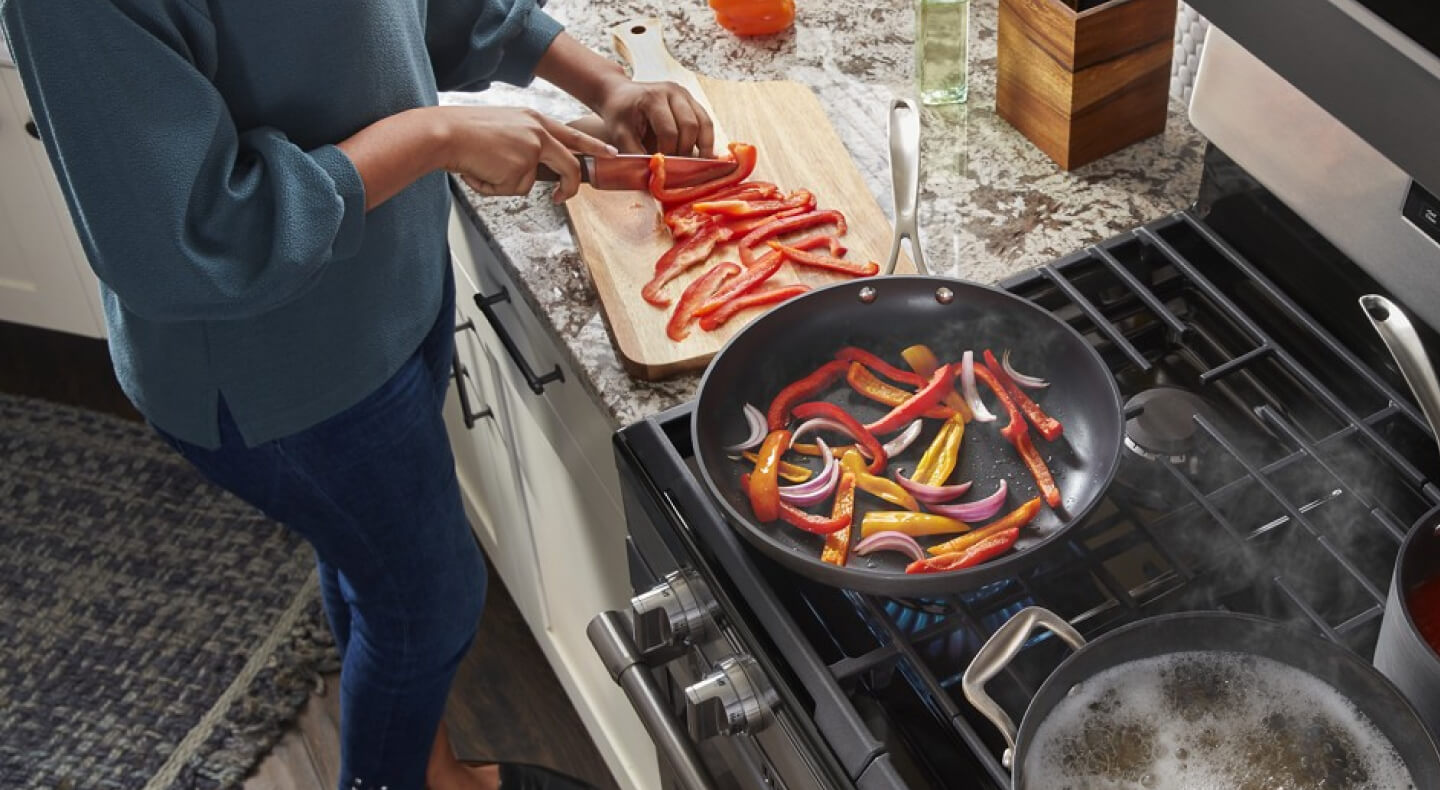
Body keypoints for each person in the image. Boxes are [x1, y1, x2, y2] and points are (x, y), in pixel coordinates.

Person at [0, 1, 714, 788]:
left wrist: (606, 85)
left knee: (371, 566)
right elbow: (188, 243)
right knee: (429, 604)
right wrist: (436, 137)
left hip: (392, 288)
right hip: (277, 372)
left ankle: (434, 769)